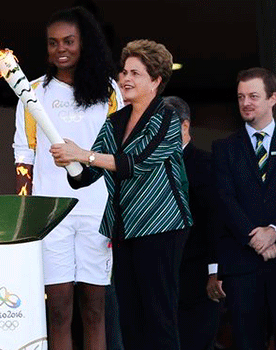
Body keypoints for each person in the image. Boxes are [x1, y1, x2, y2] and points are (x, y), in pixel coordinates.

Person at [50, 39, 193, 350]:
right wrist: (69, 161)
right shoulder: (114, 121)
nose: (125, 79)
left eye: (135, 73)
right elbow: (85, 177)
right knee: (129, 318)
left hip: (161, 228)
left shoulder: (166, 118)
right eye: (123, 72)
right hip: (123, 230)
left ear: (156, 80)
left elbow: (134, 165)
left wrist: (83, 154)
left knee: (158, 317)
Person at [13, 7, 123, 349]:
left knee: (95, 310)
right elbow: (23, 158)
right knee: (58, 309)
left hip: (97, 211)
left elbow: (118, 152)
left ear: (84, 43)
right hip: (52, 213)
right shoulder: (33, 92)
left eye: (69, 41)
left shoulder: (109, 91)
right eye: (53, 43)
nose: (60, 49)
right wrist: (26, 212)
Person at [211, 67, 276, 350]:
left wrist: (274, 231)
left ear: (273, 98)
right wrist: (256, 236)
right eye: (240, 97)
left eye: (253, 96)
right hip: (242, 266)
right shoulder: (224, 148)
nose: (246, 103)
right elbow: (224, 200)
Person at [164, 96, 222, 350]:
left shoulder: (206, 164)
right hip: (164, 275)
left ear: (184, 127)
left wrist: (214, 270)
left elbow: (215, 220)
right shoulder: (153, 166)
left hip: (199, 276)